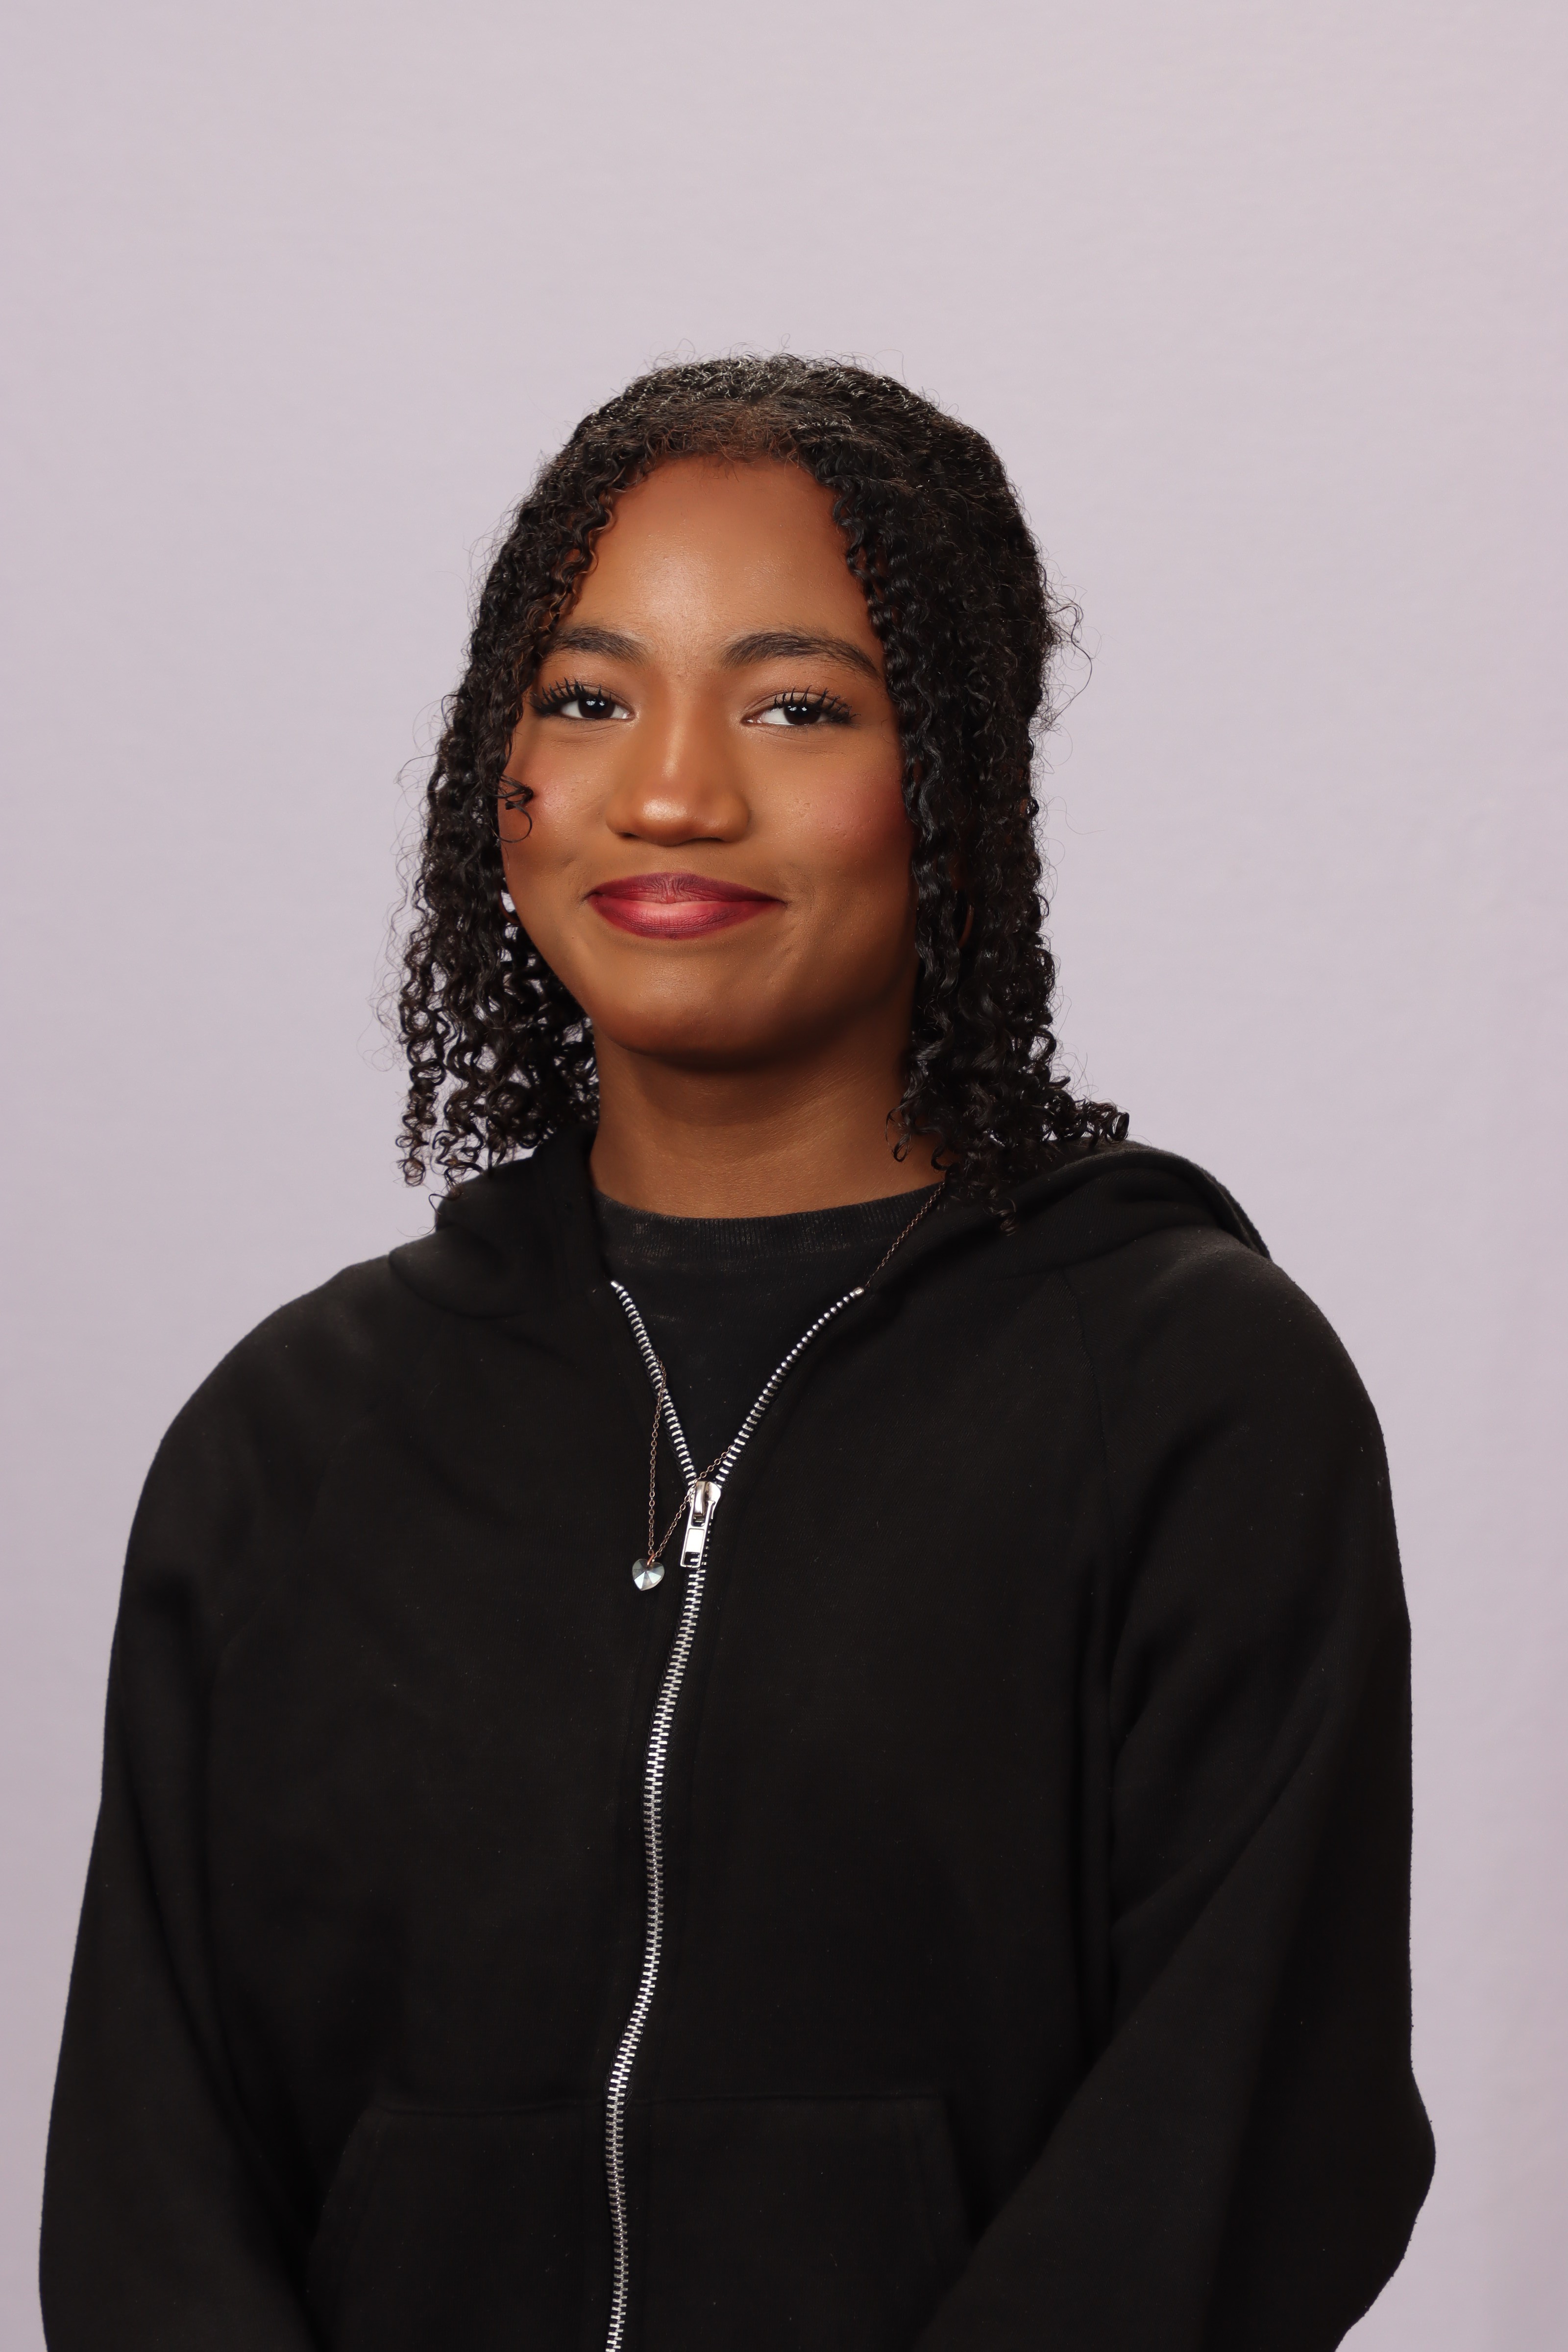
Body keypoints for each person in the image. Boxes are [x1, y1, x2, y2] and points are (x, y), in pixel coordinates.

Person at [40, 356, 1433, 2352]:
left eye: (797, 708)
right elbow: (149, 2177)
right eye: (586, 700)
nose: (673, 792)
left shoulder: (1188, 1400)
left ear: (954, 788)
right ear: (497, 779)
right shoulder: (291, 1444)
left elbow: (1253, 2126)